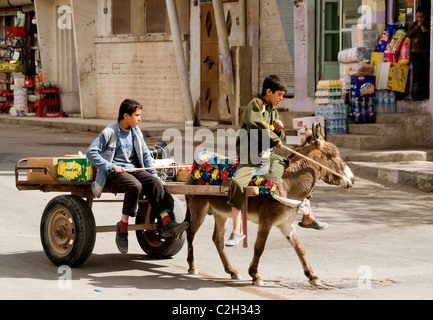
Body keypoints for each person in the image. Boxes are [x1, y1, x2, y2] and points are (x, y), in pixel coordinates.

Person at [225, 75, 326, 247]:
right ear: (268, 91)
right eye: (279, 94)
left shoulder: (273, 110)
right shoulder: (255, 106)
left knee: (296, 172)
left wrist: (279, 130)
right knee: (237, 183)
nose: (281, 99)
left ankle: (307, 215)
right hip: (250, 158)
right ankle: (237, 230)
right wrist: (273, 137)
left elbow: (278, 136)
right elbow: (254, 124)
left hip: (268, 156)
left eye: (282, 95)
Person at [86, 99, 189, 254]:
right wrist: (110, 166)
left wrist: (154, 175)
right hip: (114, 172)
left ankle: (167, 222)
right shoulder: (110, 132)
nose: (139, 119)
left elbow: (146, 156)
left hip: (134, 170)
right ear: (126, 116)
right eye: (137, 115)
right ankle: (122, 228)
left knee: (155, 183)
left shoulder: (136, 132)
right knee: (135, 186)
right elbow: (91, 152)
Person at [406, 6, 430, 100]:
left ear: (426, 16)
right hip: (415, 53)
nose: (420, 19)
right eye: (418, 17)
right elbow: (409, 34)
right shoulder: (414, 24)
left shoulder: (428, 24)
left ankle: (424, 93)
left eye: (422, 17)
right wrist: (418, 26)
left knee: (424, 74)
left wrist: (426, 31)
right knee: (416, 74)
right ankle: (415, 95)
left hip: (425, 52)